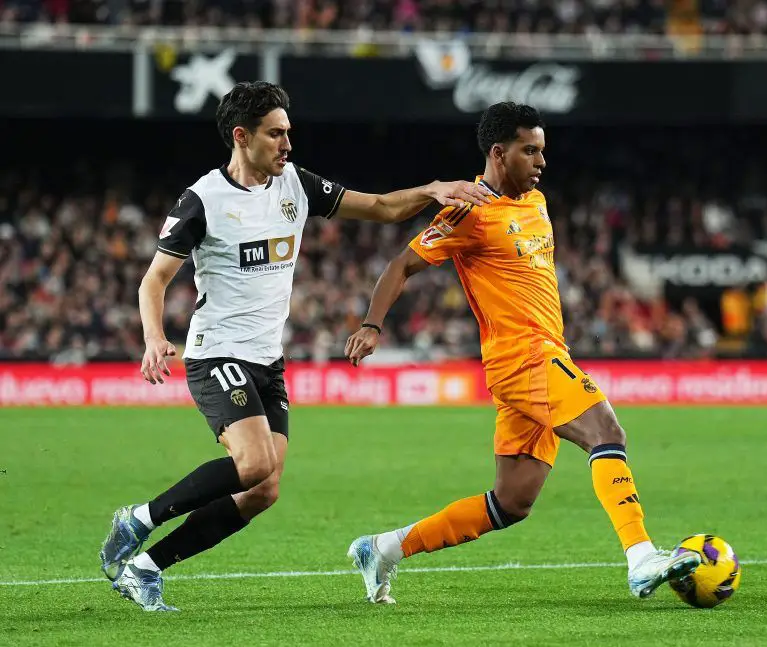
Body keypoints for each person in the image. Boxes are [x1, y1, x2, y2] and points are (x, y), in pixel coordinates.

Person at [98, 81, 492, 611]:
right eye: (276, 134)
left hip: (267, 359)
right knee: (256, 463)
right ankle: (137, 519)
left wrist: (433, 189)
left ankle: (145, 567)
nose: (288, 144)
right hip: (218, 352)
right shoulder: (203, 200)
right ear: (242, 136)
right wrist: (153, 338)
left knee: (263, 489)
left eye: (289, 133)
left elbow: (378, 207)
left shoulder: (295, 186)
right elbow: (154, 280)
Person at [343, 101, 700, 604]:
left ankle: (382, 548)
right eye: (529, 150)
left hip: (542, 358)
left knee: (511, 503)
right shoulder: (469, 212)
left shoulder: (536, 203)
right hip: (522, 358)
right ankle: (642, 559)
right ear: (498, 152)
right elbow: (401, 264)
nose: (540, 161)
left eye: (542, 150)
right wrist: (372, 325)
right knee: (606, 431)